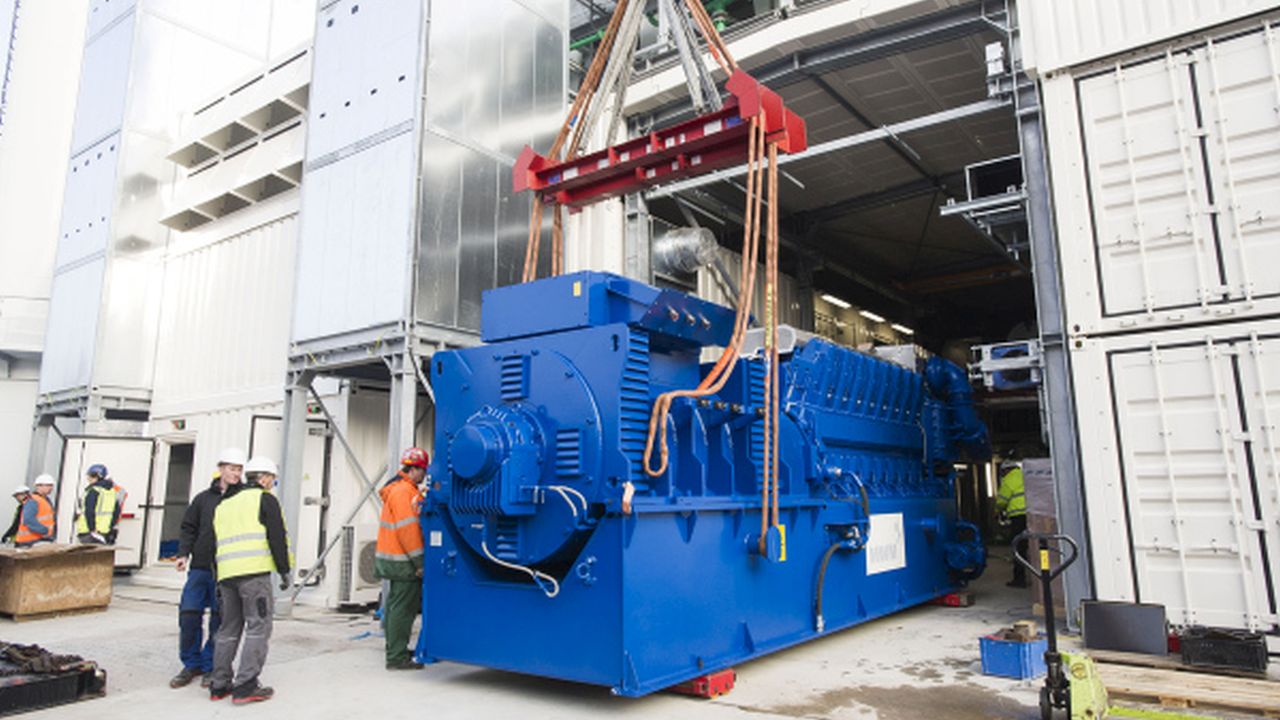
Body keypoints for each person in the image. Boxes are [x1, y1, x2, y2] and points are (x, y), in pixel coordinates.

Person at [209, 455, 291, 705]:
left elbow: (213, 542)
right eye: (272, 480)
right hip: (254, 575)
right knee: (258, 627)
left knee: (228, 628)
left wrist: (218, 577)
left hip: (226, 575)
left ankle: (219, 684)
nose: (272, 484)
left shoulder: (224, 504)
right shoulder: (265, 499)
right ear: (265, 478)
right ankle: (246, 685)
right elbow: (276, 537)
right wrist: (284, 569)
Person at [169, 449, 244, 690]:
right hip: (200, 568)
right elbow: (189, 527)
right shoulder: (203, 499)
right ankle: (191, 664)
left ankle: (212, 666)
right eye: (232, 468)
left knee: (219, 620)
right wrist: (183, 554)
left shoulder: (242, 499)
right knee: (189, 615)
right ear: (221, 469)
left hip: (226, 569)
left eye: (239, 469)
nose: (236, 473)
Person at [376, 447, 428, 671]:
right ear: (415, 469)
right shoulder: (403, 493)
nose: (424, 476)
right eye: (423, 471)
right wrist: (420, 564)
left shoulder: (400, 489)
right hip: (403, 561)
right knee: (402, 609)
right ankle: (396, 657)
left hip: (395, 559)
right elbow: (409, 532)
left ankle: (395, 649)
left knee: (396, 606)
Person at [995, 459, 1028, 588]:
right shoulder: (1025, 475)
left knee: (1019, 547)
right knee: (1036, 546)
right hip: (1033, 516)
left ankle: (1019, 580)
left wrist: (997, 510)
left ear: (1006, 470)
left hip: (1018, 517)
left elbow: (1002, 501)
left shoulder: (1008, 480)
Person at [75, 464, 125, 544]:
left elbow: (89, 511)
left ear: (98, 476)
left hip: (89, 532)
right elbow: (116, 513)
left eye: (91, 476)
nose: (88, 478)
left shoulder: (94, 491)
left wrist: (92, 528)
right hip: (104, 532)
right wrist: (110, 527)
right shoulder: (112, 492)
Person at [16, 475, 57, 548]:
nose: (51, 488)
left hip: (39, 539)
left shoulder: (45, 501)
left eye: (51, 485)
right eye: (48, 485)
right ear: (38, 486)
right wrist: (45, 531)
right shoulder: (33, 500)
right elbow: (28, 520)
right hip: (30, 541)